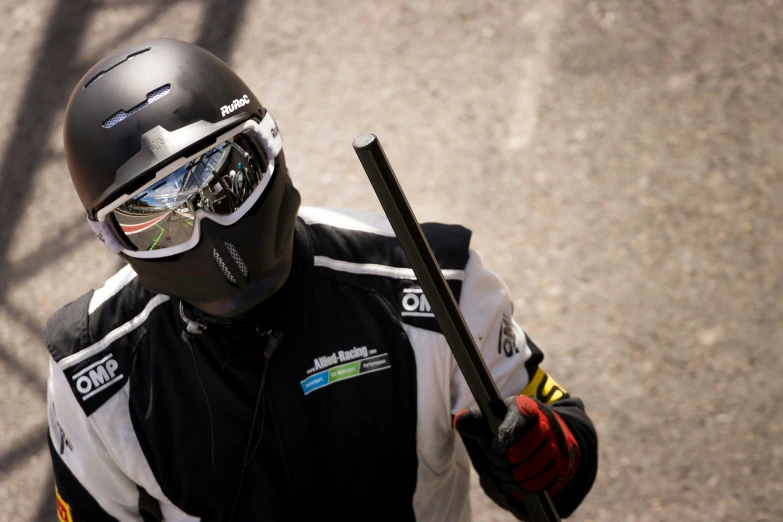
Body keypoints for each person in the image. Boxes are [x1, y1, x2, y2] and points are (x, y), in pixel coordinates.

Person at [46, 39, 597, 522]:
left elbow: (555, 453)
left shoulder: (431, 285)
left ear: (272, 145)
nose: (210, 229)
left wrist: (549, 453)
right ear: (110, 237)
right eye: (158, 220)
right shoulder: (94, 370)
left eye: (222, 180)